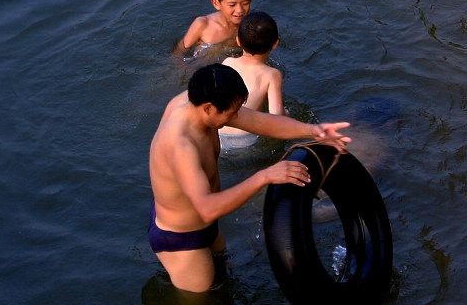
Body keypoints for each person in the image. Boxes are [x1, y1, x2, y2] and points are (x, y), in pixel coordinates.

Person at [148, 63, 351, 292]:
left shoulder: (204, 102)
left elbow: (260, 122)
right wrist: (264, 176)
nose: (236, 117)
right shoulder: (180, 145)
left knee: (224, 272)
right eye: (232, 113)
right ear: (208, 108)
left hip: (206, 225)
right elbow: (206, 208)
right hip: (181, 238)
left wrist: (314, 131)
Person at [218, 10, 284, 151]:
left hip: (216, 133)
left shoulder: (228, 62)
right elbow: (276, 115)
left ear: (238, 41)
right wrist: (289, 115)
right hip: (245, 141)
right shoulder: (272, 74)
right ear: (275, 44)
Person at [174, 0, 255, 55]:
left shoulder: (252, 25)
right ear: (216, 3)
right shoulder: (203, 25)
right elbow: (179, 53)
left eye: (245, 3)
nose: (239, 10)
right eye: (232, 5)